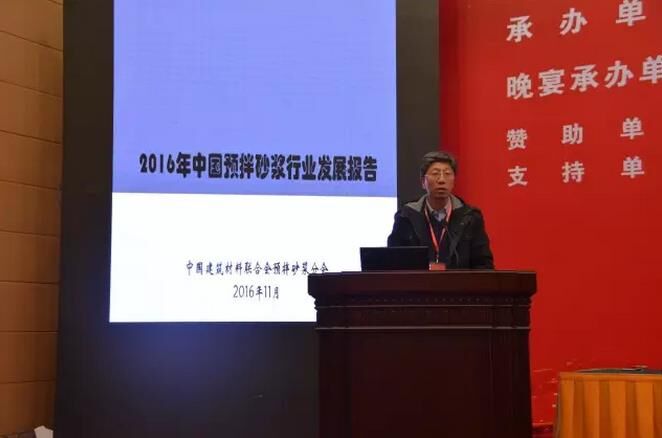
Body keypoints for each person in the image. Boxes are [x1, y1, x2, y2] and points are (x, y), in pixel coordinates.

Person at [387, 151, 494, 269]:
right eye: (435, 173)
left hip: (458, 281)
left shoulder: (470, 217)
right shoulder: (406, 216)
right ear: (423, 182)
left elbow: (484, 265)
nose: (442, 180)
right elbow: (393, 262)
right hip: (419, 281)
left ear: (454, 180)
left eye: (447, 174)